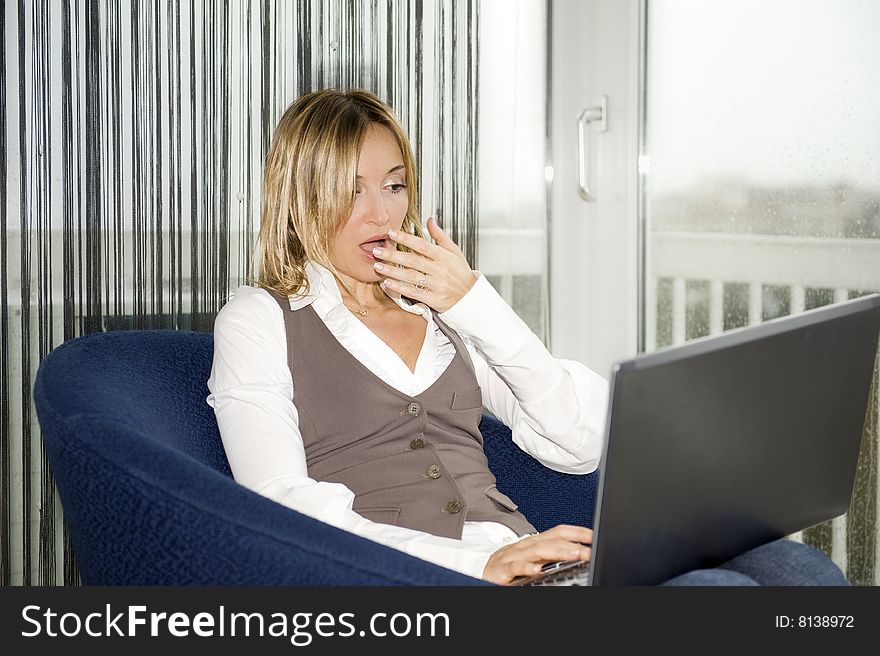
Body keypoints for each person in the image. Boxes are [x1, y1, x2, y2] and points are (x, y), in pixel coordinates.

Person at [206, 88, 848, 586]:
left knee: (796, 570)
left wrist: (474, 303)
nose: (383, 213)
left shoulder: (444, 314)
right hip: (415, 582)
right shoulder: (261, 318)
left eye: (395, 185)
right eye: (351, 192)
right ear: (298, 200)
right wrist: (476, 566)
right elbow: (279, 504)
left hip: (538, 570)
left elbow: (579, 443)